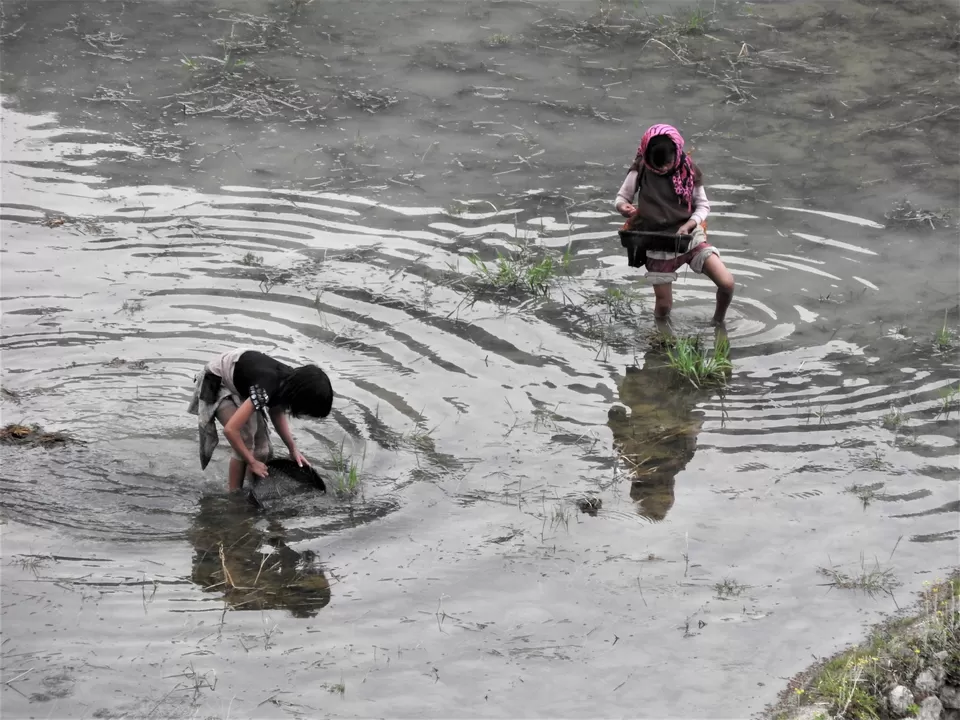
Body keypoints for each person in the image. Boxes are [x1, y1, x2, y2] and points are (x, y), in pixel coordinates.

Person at [614, 123, 735, 325]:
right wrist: (623, 207)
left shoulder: (688, 169)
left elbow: (703, 206)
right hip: (657, 241)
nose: (663, 168)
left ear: (676, 153)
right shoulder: (641, 167)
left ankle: (718, 324)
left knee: (727, 283)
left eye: (668, 163)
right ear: (647, 155)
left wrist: (689, 225)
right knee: (663, 306)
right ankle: (661, 339)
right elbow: (621, 197)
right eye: (658, 164)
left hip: (689, 238)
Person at [187, 348, 333, 492]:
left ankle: (252, 488)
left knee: (263, 450)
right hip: (217, 379)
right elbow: (231, 430)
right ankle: (234, 495)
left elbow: (276, 413)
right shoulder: (267, 387)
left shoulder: (289, 385)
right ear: (302, 400)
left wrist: (292, 449)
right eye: (308, 412)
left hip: (243, 383)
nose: (305, 416)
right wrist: (251, 462)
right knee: (246, 438)